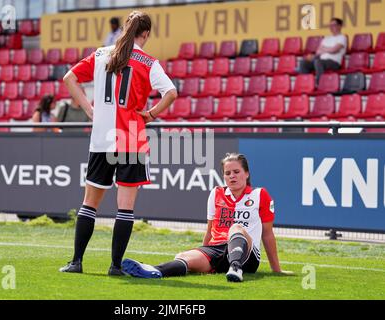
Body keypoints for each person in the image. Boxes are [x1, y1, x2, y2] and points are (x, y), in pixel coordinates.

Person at [60, 11, 177, 276]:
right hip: (131, 137)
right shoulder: (147, 62)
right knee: (125, 207)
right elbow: (171, 93)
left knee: (89, 203)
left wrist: (90, 109)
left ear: (125, 28)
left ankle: (76, 262)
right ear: (145, 34)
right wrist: (150, 114)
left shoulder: (102, 54)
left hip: (101, 137)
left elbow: (69, 78)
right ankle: (114, 266)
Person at [122, 153, 293, 282]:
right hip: (217, 249)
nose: (232, 176)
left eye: (236, 172)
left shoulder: (260, 194)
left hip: (248, 255)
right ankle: (153, 270)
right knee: (184, 256)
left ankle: (235, 268)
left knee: (236, 228)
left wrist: (276, 269)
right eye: (227, 173)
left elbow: (267, 234)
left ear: (246, 174)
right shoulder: (216, 193)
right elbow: (210, 229)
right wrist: (203, 251)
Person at [298, 18, 347, 84]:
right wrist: (329, 49)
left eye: (334, 25)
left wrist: (324, 49)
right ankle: (305, 83)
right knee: (304, 63)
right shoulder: (326, 38)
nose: (331, 27)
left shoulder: (342, 37)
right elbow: (318, 52)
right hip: (321, 61)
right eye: (330, 26)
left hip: (334, 62)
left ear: (339, 26)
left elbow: (334, 50)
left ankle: (320, 83)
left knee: (318, 62)